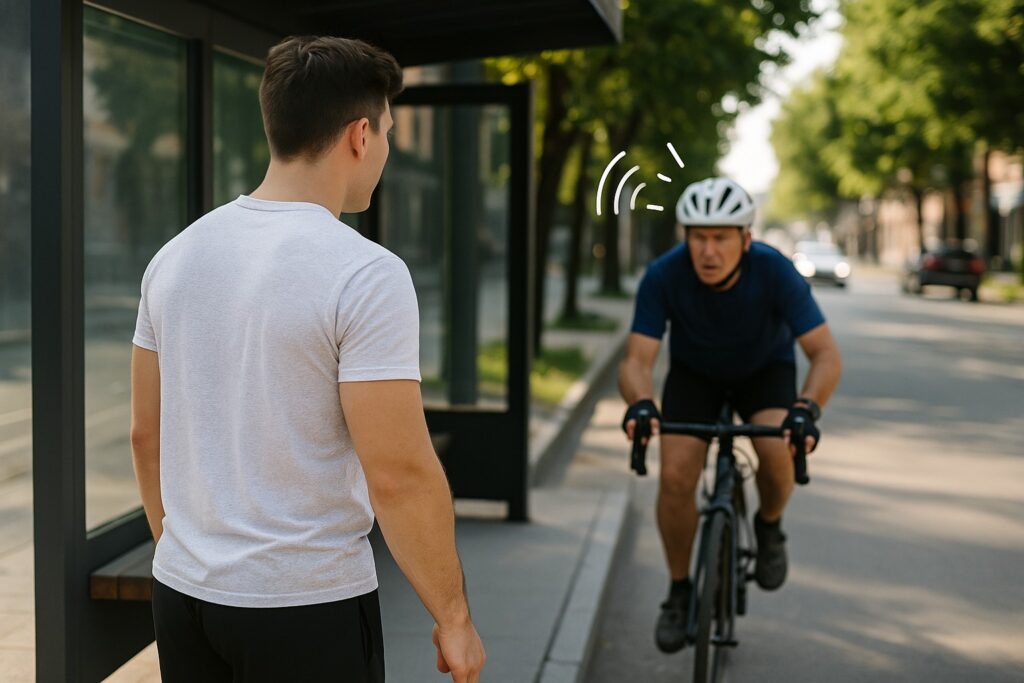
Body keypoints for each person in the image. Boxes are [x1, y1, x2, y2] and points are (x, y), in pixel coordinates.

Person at [130, 36, 485, 683]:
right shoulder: (365, 273)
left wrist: (182, 553)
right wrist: (453, 614)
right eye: (388, 133)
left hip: (183, 595)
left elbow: (145, 435)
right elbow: (399, 472)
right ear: (359, 135)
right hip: (304, 603)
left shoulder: (174, 257)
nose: (385, 149)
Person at [618, 177, 842, 654]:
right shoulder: (663, 275)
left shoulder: (776, 272)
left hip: (764, 371)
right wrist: (641, 403)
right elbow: (636, 360)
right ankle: (680, 591)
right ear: (686, 238)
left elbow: (825, 354)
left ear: (745, 238)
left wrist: (806, 408)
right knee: (676, 475)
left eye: (721, 237)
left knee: (775, 448)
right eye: (698, 237)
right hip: (695, 375)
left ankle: (769, 525)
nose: (708, 250)